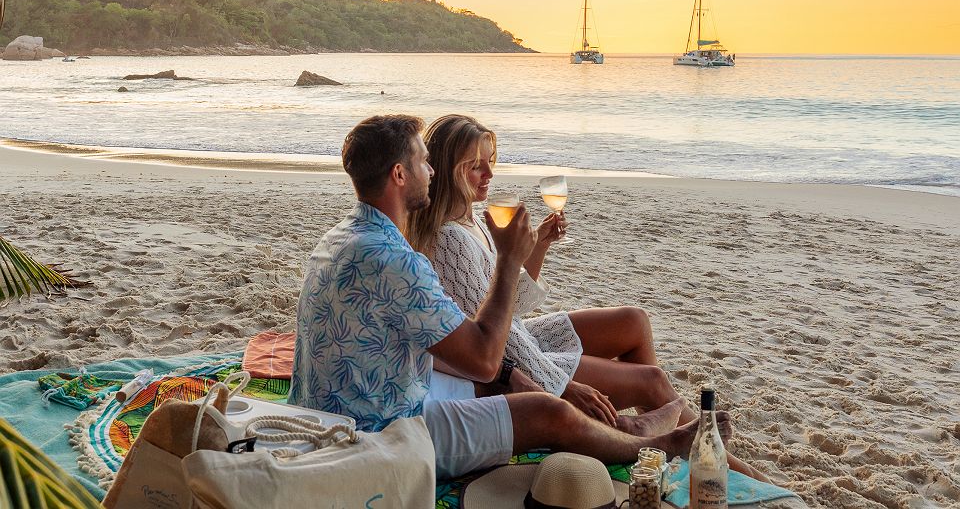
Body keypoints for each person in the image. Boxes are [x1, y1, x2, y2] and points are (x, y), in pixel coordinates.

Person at [288, 114, 720, 480]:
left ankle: (634, 428)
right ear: (399, 175)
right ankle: (657, 445)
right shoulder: (395, 259)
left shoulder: (344, 237)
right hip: (377, 431)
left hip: (338, 406)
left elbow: (444, 343)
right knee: (548, 411)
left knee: (508, 383)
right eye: (423, 162)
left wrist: (509, 369)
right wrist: (510, 260)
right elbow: (483, 358)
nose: (432, 171)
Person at [406, 114, 767, 480]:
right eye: (474, 167)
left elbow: (509, 306)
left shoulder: (473, 222)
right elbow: (495, 339)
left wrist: (538, 247)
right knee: (652, 380)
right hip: (513, 355)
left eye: (490, 163)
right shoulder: (449, 240)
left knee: (633, 321)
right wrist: (561, 386)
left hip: (519, 337)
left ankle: (644, 432)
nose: (489, 174)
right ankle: (730, 468)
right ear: (447, 170)